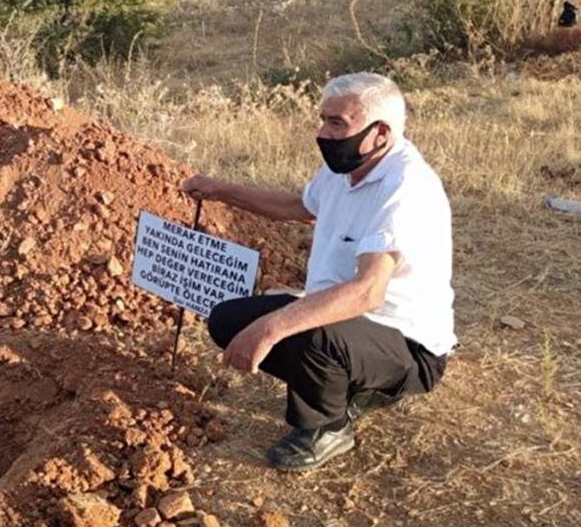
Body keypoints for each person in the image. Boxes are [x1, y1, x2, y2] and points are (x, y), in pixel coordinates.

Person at [181, 73, 456, 471]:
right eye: (324, 119)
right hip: (359, 329)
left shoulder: (404, 188)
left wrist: (271, 327)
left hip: (409, 346)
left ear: (380, 133)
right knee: (228, 319)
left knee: (312, 331)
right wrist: (222, 190)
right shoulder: (347, 168)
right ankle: (353, 385)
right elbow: (298, 208)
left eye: (337, 123)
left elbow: (367, 293)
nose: (323, 133)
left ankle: (328, 427)